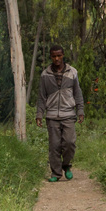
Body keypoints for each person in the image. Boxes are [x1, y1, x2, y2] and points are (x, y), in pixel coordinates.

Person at [35, 45, 85, 182]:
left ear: (63, 55)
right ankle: (56, 173)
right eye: (53, 56)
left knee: (69, 143)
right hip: (51, 116)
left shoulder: (72, 72)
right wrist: (39, 114)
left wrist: (80, 110)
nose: (56, 59)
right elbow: (42, 96)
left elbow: (78, 93)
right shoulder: (45, 74)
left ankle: (66, 165)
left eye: (59, 56)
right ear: (51, 57)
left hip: (68, 114)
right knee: (54, 146)